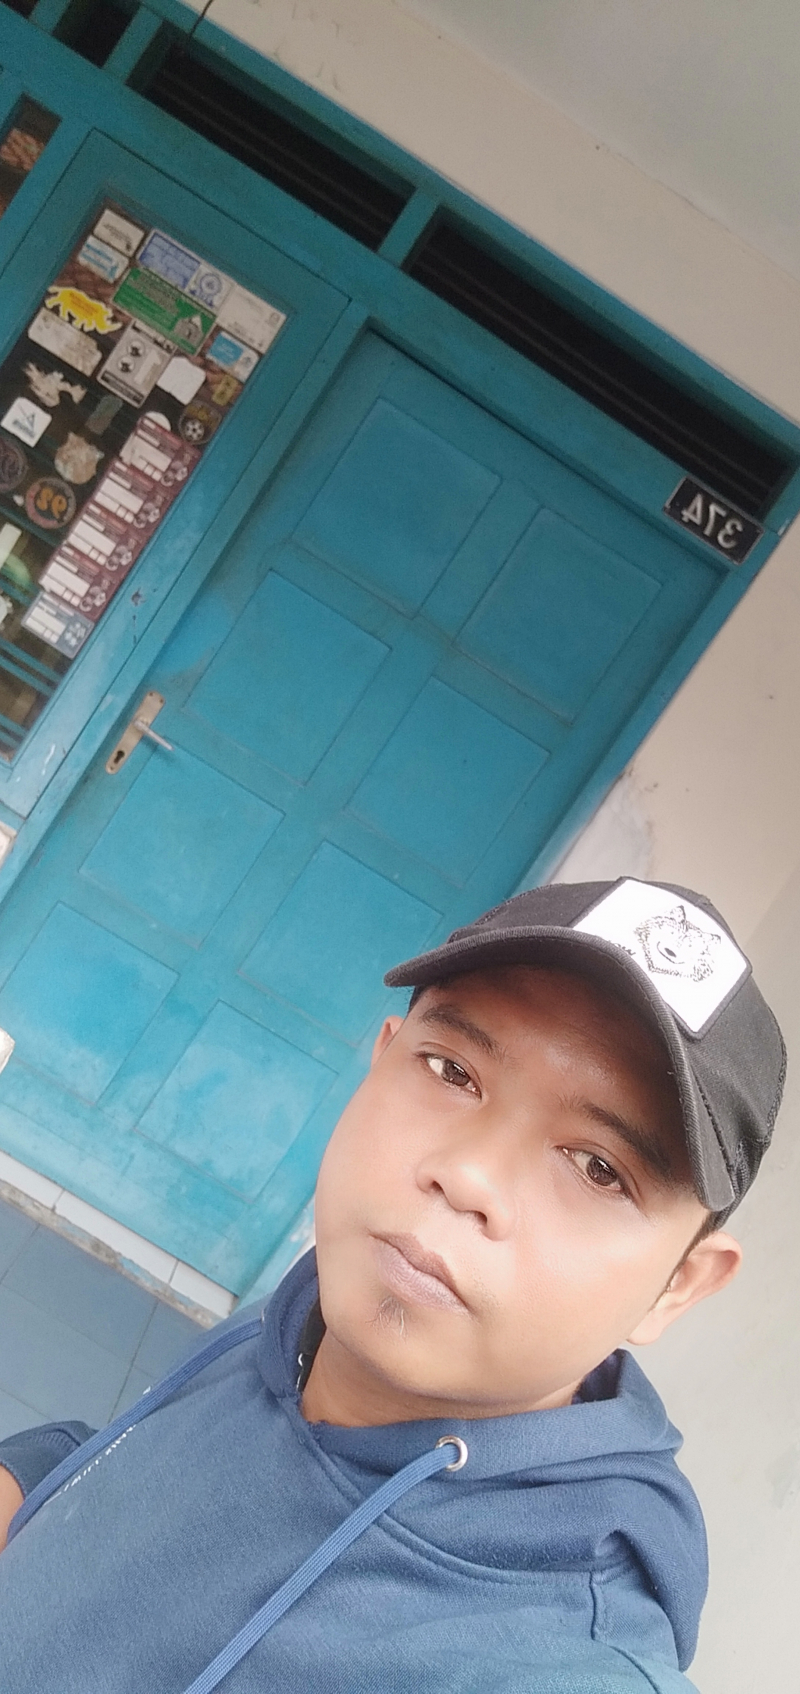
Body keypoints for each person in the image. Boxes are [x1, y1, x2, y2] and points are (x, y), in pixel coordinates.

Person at [0, 877, 786, 1693]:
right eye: (452, 1071)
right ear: (380, 1059)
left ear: (679, 1286)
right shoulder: (305, 1319)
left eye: (597, 1168)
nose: (468, 1173)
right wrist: (27, 1476)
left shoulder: (558, 1663)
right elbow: (129, 1487)